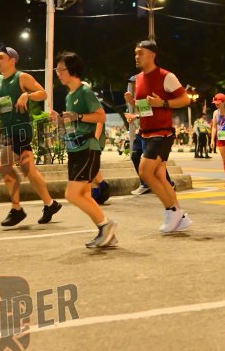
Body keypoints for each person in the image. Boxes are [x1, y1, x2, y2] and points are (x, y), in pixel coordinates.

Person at [0, 45, 62, 227]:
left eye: (1, 57)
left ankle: (16, 209)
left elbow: (43, 94)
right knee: (29, 171)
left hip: (20, 130)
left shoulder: (22, 77)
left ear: (12, 60)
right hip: (8, 129)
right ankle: (50, 204)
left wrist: (26, 95)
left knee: (4, 166)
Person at [50, 51, 117, 248]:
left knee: (72, 195)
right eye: (57, 70)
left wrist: (77, 116)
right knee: (85, 195)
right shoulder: (70, 95)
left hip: (87, 148)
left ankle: (106, 226)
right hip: (75, 148)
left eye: (60, 69)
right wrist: (60, 121)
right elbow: (74, 123)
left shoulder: (84, 92)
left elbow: (101, 116)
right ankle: (106, 231)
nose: (57, 73)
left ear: (71, 70)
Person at [128, 40, 193, 233]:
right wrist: (134, 104)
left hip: (162, 133)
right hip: (146, 133)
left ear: (152, 54)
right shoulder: (139, 78)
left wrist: (163, 103)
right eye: (135, 53)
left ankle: (171, 211)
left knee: (145, 172)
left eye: (140, 53)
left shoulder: (166, 76)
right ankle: (180, 217)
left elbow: (185, 99)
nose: (136, 56)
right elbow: (147, 108)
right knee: (159, 176)